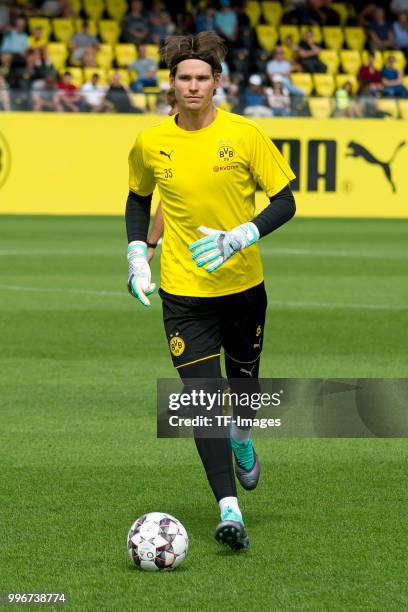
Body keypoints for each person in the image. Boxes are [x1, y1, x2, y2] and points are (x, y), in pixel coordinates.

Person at [125, 32, 296, 551]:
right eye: (184, 78)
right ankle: (229, 509)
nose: (193, 86)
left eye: (202, 77)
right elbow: (139, 199)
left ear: (217, 83)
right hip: (183, 293)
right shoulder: (150, 142)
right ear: (171, 85)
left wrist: (243, 233)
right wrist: (137, 252)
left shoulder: (245, 136)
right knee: (203, 402)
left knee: (243, 396)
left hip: (243, 287)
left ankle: (244, 438)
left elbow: (285, 200)